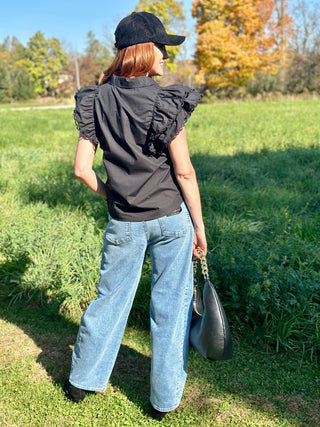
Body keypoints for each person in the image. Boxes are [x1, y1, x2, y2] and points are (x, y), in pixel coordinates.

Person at [63, 11, 207, 420]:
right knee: (170, 308)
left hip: (123, 222)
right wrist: (199, 227)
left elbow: (81, 169)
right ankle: (163, 402)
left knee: (109, 300)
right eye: (163, 49)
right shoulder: (165, 101)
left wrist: (113, 196)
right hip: (171, 220)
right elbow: (184, 171)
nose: (166, 58)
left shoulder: (97, 99)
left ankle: (82, 383)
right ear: (146, 51)